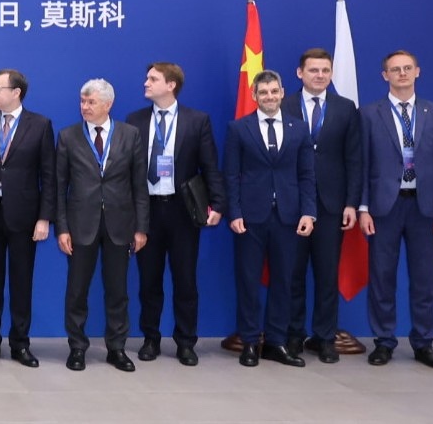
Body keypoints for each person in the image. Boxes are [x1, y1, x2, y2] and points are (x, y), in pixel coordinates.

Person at [358, 50, 433, 370]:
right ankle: (383, 341)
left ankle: (423, 342)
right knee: (382, 277)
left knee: (424, 280)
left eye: (407, 68)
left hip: (425, 208)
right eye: (395, 69)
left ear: (417, 72)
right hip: (384, 208)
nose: (402, 73)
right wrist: (363, 207)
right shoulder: (369, 114)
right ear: (384, 75)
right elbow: (362, 165)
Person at [125, 63, 224, 367]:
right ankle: (150, 338)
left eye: (152, 79)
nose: (146, 83)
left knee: (185, 280)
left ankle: (186, 342)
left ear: (171, 85)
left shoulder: (197, 120)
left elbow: (210, 166)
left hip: (183, 211)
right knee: (149, 280)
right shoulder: (135, 120)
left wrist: (218, 204)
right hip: (147, 211)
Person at [55, 78, 149, 373]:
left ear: (108, 104)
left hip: (120, 225)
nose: (85, 107)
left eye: (91, 102)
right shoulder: (68, 136)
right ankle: (77, 347)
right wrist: (62, 228)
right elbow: (59, 187)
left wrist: (141, 227)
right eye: (82, 101)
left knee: (117, 290)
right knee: (77, 290)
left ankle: (117, 348)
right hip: (80, 224)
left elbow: (139, 185)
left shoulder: (130, 135)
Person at [224, 69, 316, 368]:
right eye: (263, 92)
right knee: (248, 281)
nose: (269, 97)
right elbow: (231, 175)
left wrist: (308, 212)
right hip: (250, 218)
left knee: (284, 281)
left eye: (274, 91)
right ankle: (250, 342)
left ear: (282, 93)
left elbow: (307, 174)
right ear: (254, 95)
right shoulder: (239, 128)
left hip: (288, 216)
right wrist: (234, 212)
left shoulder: (299, 128)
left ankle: (276, 341)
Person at [0, 69, 56, 367]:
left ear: (16, 92)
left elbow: (48, 176)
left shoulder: (40, 125)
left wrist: (44, 218)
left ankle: (20, 345)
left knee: (21, 283)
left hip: (25, 217)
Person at [283, 49, 362, 364]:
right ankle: (293, 334)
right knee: (292, 274)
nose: (320, 75)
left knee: (327, 274)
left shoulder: (345, 108)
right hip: (292, 204)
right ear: (299, 73)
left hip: (331, 206)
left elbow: (354, 159)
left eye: (325, 70)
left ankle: (325, 337)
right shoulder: (284, 105)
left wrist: (352, 203)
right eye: (313, 70)